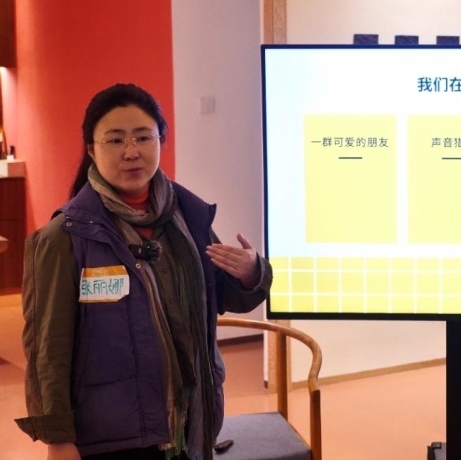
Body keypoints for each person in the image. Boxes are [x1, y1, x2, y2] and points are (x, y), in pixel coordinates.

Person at [15, 83, 272, 460]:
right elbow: (47, 349)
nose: (131, 151)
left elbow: (221, 295)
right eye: (115, 140)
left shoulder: (189, 219)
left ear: (161, 140)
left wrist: (252, 272)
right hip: (112, 436)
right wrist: (58, 437)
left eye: (142, 137)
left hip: (193, 424)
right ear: (91, 150)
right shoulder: (63, 238)